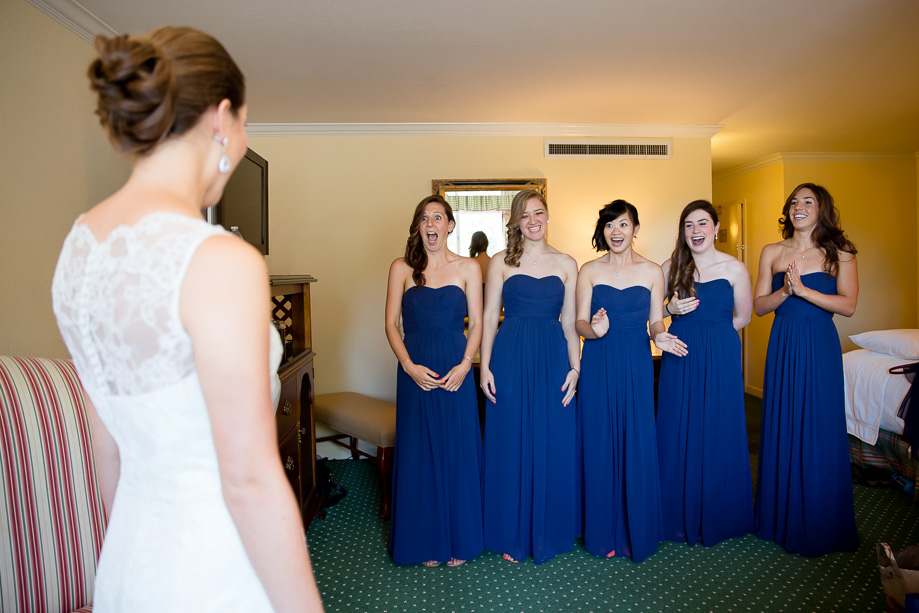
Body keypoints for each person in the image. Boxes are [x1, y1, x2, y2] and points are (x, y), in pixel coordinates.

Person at [50, 27, 323, 611]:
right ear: (222, 118)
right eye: (246, 122)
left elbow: (108, 451)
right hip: (212, 567)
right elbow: (248, 479)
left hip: (129, 561)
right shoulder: (221, 260)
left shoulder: (80, 249)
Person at [752, 183, 859, 557]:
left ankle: (822, 519)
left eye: (807, 202)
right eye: (794, 202)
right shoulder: (772, 252)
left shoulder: (840, 252)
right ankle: (780, 517)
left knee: (819, 424)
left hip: (819, 344)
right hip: (784, 342)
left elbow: (847, 306)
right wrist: (785, 292)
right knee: (783, 421)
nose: (799, 207)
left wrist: (804, 291)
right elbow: (760, 307)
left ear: (821, 209)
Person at [480, 189, 580, 565]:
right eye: (525, 215)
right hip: (509, 356)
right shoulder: (500, 261)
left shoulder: (568, 263)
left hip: (554, 356)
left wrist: (575, 369)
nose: (533, 221)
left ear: (548, 216)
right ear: (516, 221)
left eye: (538, 213)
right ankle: (511, 530)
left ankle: (549, 529)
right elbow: (489, 318)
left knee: (553, 438)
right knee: (511, 439)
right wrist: (484, 366)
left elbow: (570, 322)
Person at [575, 199, 678, 562]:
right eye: (609, 225)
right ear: (602, 231)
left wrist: (661, 335)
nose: (616, 232)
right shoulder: (588, 270)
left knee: (635, 440)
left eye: (623, 224)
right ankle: (603, 531)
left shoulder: (652, 271)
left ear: (635, 228)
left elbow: (655, 321)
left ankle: (635, 529)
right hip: (599, 363)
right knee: (601, 440)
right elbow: (579, 323)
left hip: (635, 362)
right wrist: (595, 330)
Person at [384, 195, 484, 567]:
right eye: (424, 218)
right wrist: (408, 366)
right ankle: (425, 538)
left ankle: (459, 537)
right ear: (418, 226)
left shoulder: (469, 268)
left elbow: (477, 324)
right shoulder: (401, 268)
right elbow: (391, 324)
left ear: (450, 226)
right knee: (420, 451)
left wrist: (465, 364)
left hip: (455, 370)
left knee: (457, 447)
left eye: (438, 217)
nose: (431, 224)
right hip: (415, 371)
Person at [656, 200, 754, 548]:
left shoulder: (735, 268)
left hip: (721, 356)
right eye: (688, 225)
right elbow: (651, 316)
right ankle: (675, 512)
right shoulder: (671, 266)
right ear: (682, 231)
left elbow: (743, 316)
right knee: (677, 425)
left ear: (715, 228)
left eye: (702, 224)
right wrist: (669, 310)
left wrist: (716, 337)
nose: (695, 231)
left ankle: (720, 511)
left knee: (718, 425)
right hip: (681, 352)